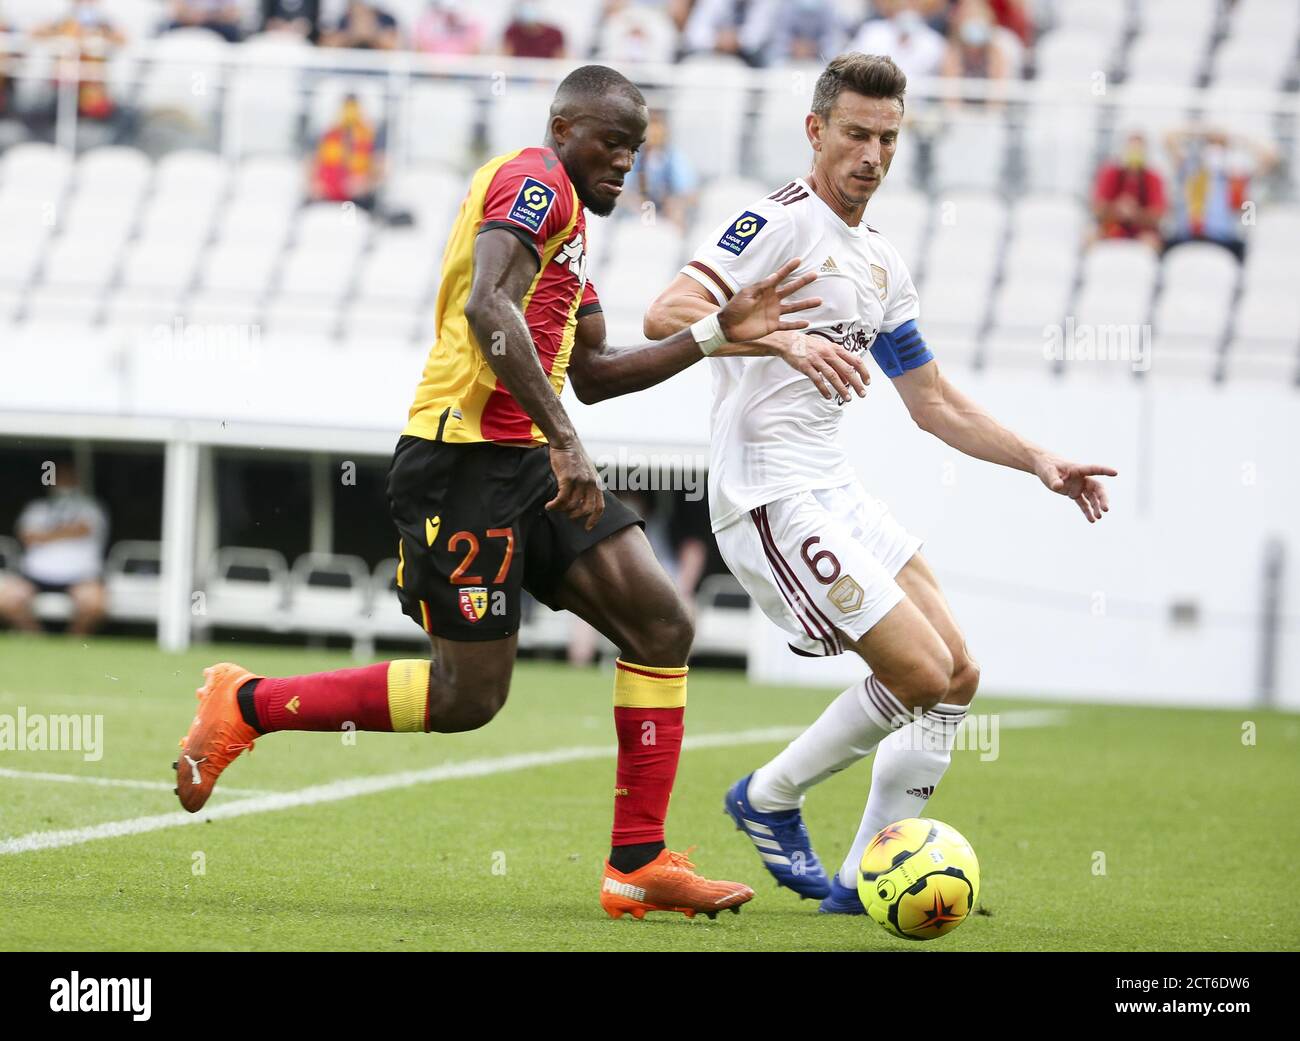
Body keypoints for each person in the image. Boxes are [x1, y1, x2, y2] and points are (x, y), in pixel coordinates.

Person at [172, 64, 857, 922]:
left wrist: (717, 334)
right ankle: (246, 703)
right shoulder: (533, 184)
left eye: (636, 150)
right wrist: (567, 442)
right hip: (460, 460)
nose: (625, 164)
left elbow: (598, 374)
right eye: (611, 144)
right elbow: (487, 307)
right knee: (468, 699)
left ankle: (636, 862)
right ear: (564, 128)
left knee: (660, 622)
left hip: (524, 459)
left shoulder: (570, 235)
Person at [643, 52, 1116, 914]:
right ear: (816, 130)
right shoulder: (775, 221)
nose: (871, 154)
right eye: (856, 133)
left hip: (835, 489)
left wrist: (1039, 460)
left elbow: (931, 402)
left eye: (887, 138)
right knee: (921, 673)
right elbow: (666, 311)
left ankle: (861, 880)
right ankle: (770, 795)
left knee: (961, 671)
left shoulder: (882, 264)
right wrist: (778, 338)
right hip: (767, 497)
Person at [0, 457, 109, 636]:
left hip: (81, 575)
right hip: (36, 573)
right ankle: (37, 640)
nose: (61, 480)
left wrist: (45, 535)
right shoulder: (36, 507)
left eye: (66, 475)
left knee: (94, 604)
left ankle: (72, 644)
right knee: (6, 600)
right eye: (56, 475)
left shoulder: (92, 507)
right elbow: (28, 536)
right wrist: (65, 532)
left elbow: (83, 529)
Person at [1163, 126, 1278, 263]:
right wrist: (1204, 131)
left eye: (1220, 145)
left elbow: (1270, 157)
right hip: (1187, 238)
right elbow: (1168, 137)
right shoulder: (1190, 169)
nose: (1214, 149)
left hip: (1224, 241)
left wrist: (1236, 139)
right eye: (1211, 144)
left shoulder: (1236, 177)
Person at [32, 0, 126, 121]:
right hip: (63, 82)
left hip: (93, 84)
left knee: (97, 108)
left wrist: (98, 36)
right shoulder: (62, 20)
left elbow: (123, 39)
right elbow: (36, 33)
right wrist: (61, 34)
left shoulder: (104, 23)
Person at [1091, 131, 1166, 251]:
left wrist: (1135, 213)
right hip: (1112, 226)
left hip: (1142, 231)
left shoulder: (1153, 177)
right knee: (1090, 238)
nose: (1135, 153)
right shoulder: (1110, 174)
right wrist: (1117, 209)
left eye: (1138, 150)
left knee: (1151, 242)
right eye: (1131, 149)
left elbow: (1158, 215)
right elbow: (1097, 209)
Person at [622, 109, 698, 230]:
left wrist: (676, 202)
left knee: (677, 212)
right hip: (639, 207)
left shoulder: (676, 158)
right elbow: (622, 189)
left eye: (658, 131)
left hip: (668, 208)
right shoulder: (633, 157)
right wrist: (634, 200)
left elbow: (690, 193)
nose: (654, 136)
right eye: (650, 132)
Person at [308, 94, 384, 210]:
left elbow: (381, 168)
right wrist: (315, 185)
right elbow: (311, 165)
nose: (349, 113)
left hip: (359, 200)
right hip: (326, 198)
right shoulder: (327, 136)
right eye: (346, 108)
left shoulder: (371, 137)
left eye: (353, 108)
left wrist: (366, 184)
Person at [849, 1, 946, 83]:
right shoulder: (871, 32)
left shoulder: (935, 42)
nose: (908, 10)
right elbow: (849, 64)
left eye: (913, 5)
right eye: (904, 5)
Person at [321, 0, 400, 51]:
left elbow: (394, 46)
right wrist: (352, 35)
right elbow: (325, 46)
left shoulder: (386, 19)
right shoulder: (343, 18)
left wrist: (371, 34)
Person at [412, 0, 484, 55]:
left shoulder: (471, 22)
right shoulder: (426, 21)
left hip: (464, 70)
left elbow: (476, 49)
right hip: (430, 70)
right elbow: (420, 49)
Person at [165, 0, 243, 43]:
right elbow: (178, 11)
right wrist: (194, 16)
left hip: (217, 24)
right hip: (188, 23)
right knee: (171, 28)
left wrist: (207, 16)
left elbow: (233, 13)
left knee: (232, 31)